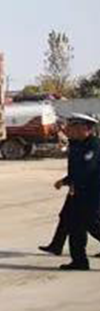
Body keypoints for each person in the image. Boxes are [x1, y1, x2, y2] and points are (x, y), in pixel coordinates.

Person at [51, 113, 100, 270]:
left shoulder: (94, 145)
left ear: (85, 128)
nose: (70, 130)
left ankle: (79, 260)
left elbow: (87, 169)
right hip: (80, 192)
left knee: (92, 224)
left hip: (93, 193)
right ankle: (79, 261)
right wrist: (66, 181)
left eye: (73, 127)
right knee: (75, 226)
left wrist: (69, 181)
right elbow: (76, 169)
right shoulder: (77, 144)